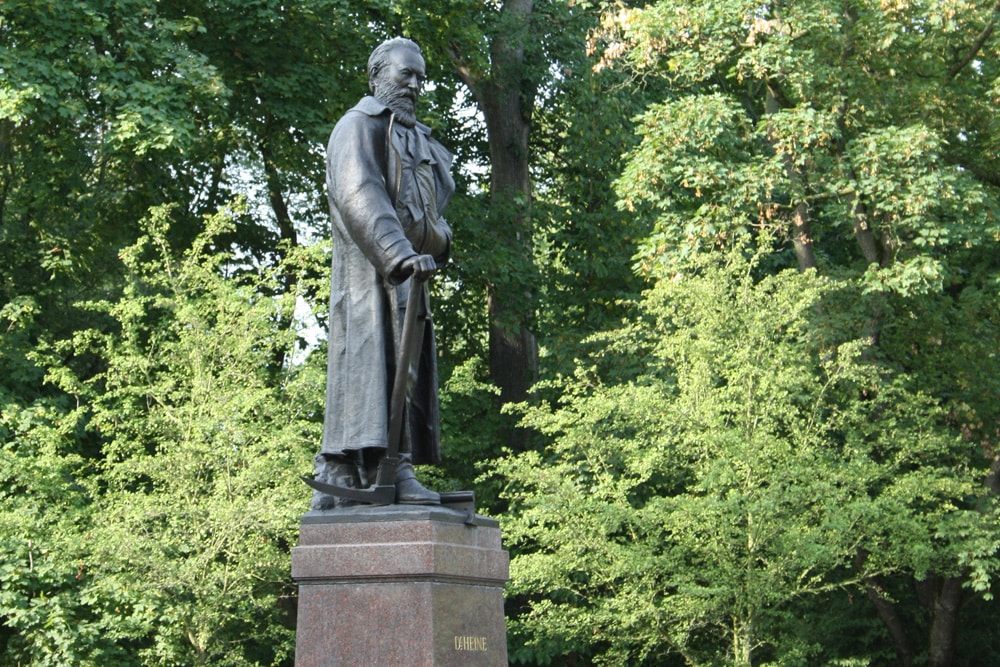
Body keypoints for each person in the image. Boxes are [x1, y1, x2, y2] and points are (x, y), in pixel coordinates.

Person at [311, 37, 455, 509]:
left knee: (407, 370)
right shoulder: (357, 128)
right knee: (374, 365)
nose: (415, 85)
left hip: (414, 276)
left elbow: (433, 207)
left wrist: (439, 242)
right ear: (377, 76)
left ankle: (389, 465)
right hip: (371, 276)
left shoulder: (420, 139)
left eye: (420, 77)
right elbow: (360, 194)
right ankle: (376, 467)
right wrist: (398, 253)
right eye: (404, 74)